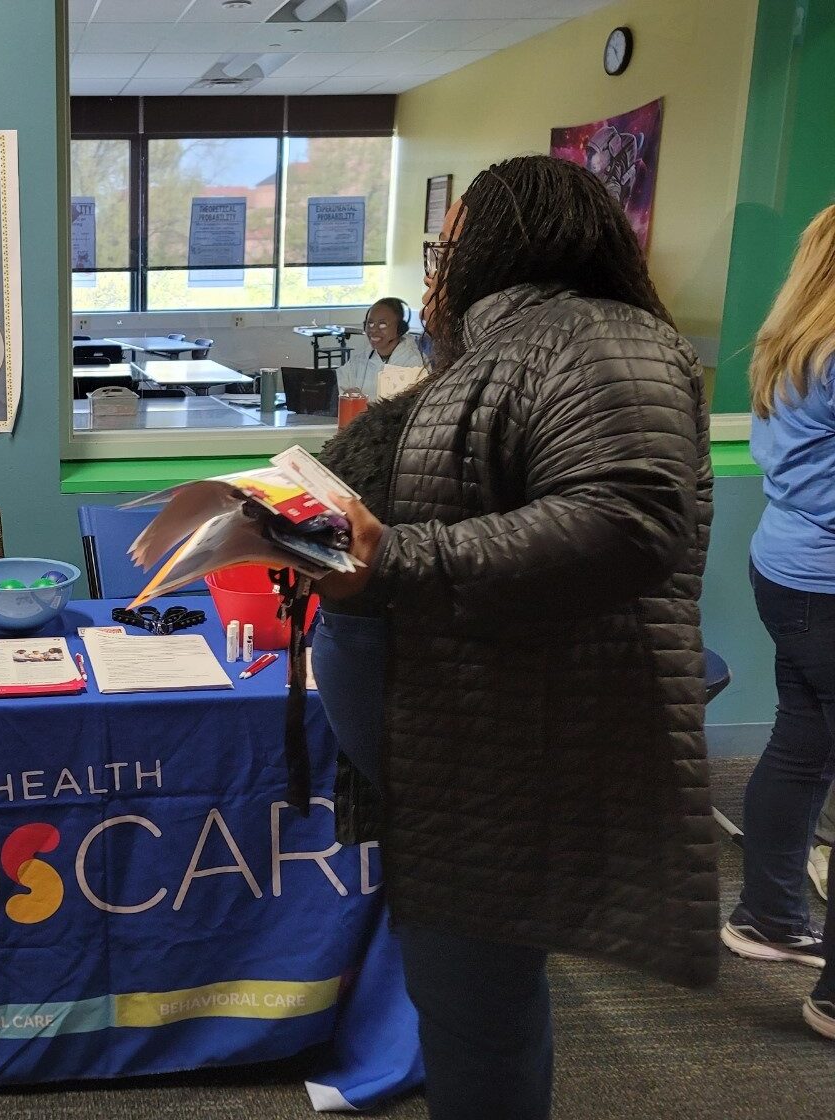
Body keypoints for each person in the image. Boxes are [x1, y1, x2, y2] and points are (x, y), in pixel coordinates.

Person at [310, 154, 716, 1118]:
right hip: (462, 731)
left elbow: (626, 521)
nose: (434, 271)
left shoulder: (599, 340)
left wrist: (392, 561)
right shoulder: (513, 346)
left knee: (474, 1004)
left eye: (445, 248)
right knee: (463, 999)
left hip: (499, 736)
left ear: (500, 242)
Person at [722, 203, 835, 1042]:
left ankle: (768, 917)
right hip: (826, 584)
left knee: (801, 743)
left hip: (786, 569)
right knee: (803, 743)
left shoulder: (788, 345)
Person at [334, 297, 423, 401]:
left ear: (400, 328)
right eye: (370, 323)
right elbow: (340, 390)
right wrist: (347, 395)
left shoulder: (415, 363)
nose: (373, 330)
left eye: (382, 324)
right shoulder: (357, 362)